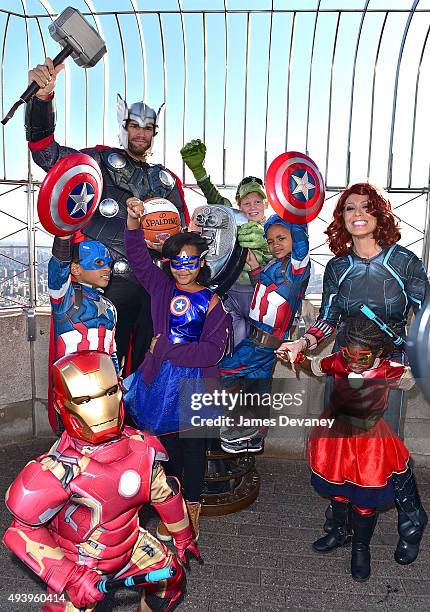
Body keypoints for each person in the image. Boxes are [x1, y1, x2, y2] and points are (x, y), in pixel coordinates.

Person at [280, 182, 429, 565]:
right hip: (344, 367)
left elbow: (424, 319)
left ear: (380, 213)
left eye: (366, 207)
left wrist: (416, 363)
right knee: (340, 447)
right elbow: (328, 320)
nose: (357, 214)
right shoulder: (337, 267)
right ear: (341, 218)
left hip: (389, 370)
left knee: (384, 451)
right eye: (349, 208)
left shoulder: (404, 262)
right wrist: (303, 344)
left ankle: (411, 521)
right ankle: (340, 524)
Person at [3, 350, 200, 612]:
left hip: (130, 545)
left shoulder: (141, 448)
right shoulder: (55, 470)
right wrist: (69, 576)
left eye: (109, 392)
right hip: (80, 562)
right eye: (85, 399)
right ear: (63, 405)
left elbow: (164, 492)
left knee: (169, 579)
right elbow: (21, 531)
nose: (101, 407)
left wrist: (183, 536)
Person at [26, 57, 189, 371]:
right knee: (93, 370)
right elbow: (46, 152)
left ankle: (138, 419)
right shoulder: (97, 161)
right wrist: (42, 100)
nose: (140, 133)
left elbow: (180, 237)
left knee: (146, 368)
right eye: (134, 125)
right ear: (124, 126)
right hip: (101, 285)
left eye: (148, 127)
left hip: (149, 290)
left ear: (155, 132)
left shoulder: (167, 181)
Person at [279, 316, 422, 581]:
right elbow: (315, 366)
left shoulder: (389, 370)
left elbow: (414, 378)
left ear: (378, 352)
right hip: (334, 437)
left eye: (363, 358)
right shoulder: (337, 362)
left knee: (365, 498)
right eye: (349, 355)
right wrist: (295, 356)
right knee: (338, 489)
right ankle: (338, 532)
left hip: (369, 445)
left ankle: (360, 548)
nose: (354, 362)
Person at [124, 196, 232, 543]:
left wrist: (168, 348)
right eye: (176, 262)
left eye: (190, 261)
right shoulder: (161, 287)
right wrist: (131, 224)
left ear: (201, 262)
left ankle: (193, 511)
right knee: (165, 449)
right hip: (158, 382)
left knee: (194, 450)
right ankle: (172, 511)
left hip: (198, 384)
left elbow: (212, 353)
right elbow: (139, 259)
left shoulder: (214, 303)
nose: (183, 268)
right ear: (168, 264)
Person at [218, 213, 310, 453]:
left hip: (263, 343)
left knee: (224, 370)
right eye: (270, 240)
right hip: (259, 339)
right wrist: (256, 268)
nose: (275, 244)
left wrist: (295, 206)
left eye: (282, 238)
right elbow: (268, 289)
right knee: (258, 391)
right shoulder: (275, 265)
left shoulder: (297, 268)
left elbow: (300, 239)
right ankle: (254, 437)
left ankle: (238, 426)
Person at [181, 139, 272, 345]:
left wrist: (265, 245)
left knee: (259, 351)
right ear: (239, 205)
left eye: (257, 201)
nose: (252, 206)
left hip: (260, 297)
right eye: (246, 202)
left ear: (266, 203)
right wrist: (199, 171)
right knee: (233, 347)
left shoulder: (274, 228)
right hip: (231, 293)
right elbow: (213, 197)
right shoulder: (232, 217)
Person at [47, 236, 118, 433]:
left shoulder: (110, 307)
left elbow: (111, 351)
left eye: (108, 264)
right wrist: (64, 235)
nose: (107, 270)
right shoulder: (66, 298)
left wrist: (116, 383)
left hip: (104, 390)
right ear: (76, 269)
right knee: (72, 442)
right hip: (73, 390)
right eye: (98, 263)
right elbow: (58, 269)